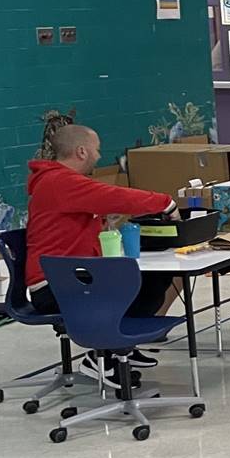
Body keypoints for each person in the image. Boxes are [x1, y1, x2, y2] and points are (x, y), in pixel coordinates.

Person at [24, 124, 175, 334]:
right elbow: (117, 196)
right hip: (58, 286)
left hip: (68, 277)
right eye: (97, 149)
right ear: (82, 151)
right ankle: (107, 350)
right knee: (144, 286)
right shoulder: (60, 181)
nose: (98, 156)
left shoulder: (57, 180)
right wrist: (166, 203)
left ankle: (120, 348)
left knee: (153, 280)